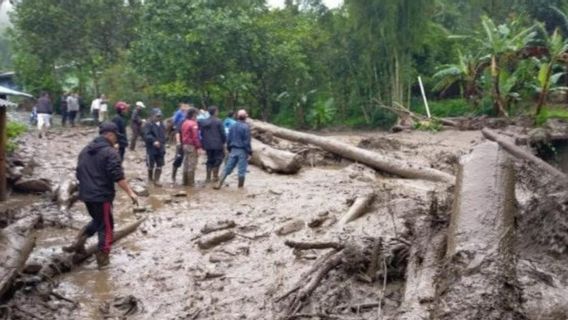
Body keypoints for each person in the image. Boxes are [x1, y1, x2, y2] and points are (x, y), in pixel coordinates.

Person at [63, 122, 138, 268]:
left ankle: (78, 243)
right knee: (107, 227)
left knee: (98, 221)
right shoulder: (110, 152)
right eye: (116, 136)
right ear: (110, 135)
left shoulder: (85, 150)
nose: (116, 140)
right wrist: (131, 193)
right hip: (101, 195)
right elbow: (117, 175)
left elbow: (78, 171)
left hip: (86, 195)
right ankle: (103, 260)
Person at [214, 109, 252, 189]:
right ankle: (240, 187)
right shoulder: (246, 127)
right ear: (245, 117)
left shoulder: (233, 126)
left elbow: (228, 139)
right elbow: (247, 141)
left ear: (238, 117)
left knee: (228, 167)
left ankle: (219, 184)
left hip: (233, 150)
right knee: (242, 170)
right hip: (242, 150)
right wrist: (249, 152)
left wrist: (229, 148)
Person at [199, 106, 226, 182]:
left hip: (207, 145)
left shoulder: (203, 122)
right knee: (218, 159)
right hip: (217, 144)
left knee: (209, 159)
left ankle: (208, 177)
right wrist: (224, 142)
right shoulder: (219, 121)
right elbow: (223, 133)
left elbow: (201, 133)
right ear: (215, 112)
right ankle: (215, 176)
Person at [143, 108, 167, 187]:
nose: (158, 118)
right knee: (150, 165)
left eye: (159, 116)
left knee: (160, 164)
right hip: (151, 148)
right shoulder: (148, 124)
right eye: (157, 116)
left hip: (161, 148)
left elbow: (164, 135)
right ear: (152, 116)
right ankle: (150, 179)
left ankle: (157, 180)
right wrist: (154, 141)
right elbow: (146, 135)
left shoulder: (162, 124)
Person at [180, 108, 201, 186]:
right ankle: (191, 183)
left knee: (186, 163)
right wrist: (198, 147)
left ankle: (184, 182)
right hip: (191, 146)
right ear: (194, 115)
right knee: (192, 164)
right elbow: (195, 136)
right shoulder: (193, 124)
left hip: (185, 145)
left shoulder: (184, 123)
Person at [171, 103, 190, 183]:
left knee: (188, 162)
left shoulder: (193, 121)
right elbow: (178, 132)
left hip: (189, 144)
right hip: (182, 142)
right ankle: (173, 177)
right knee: (178, 159)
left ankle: (186, 179)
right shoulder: (181, 119)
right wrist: (178, 142)